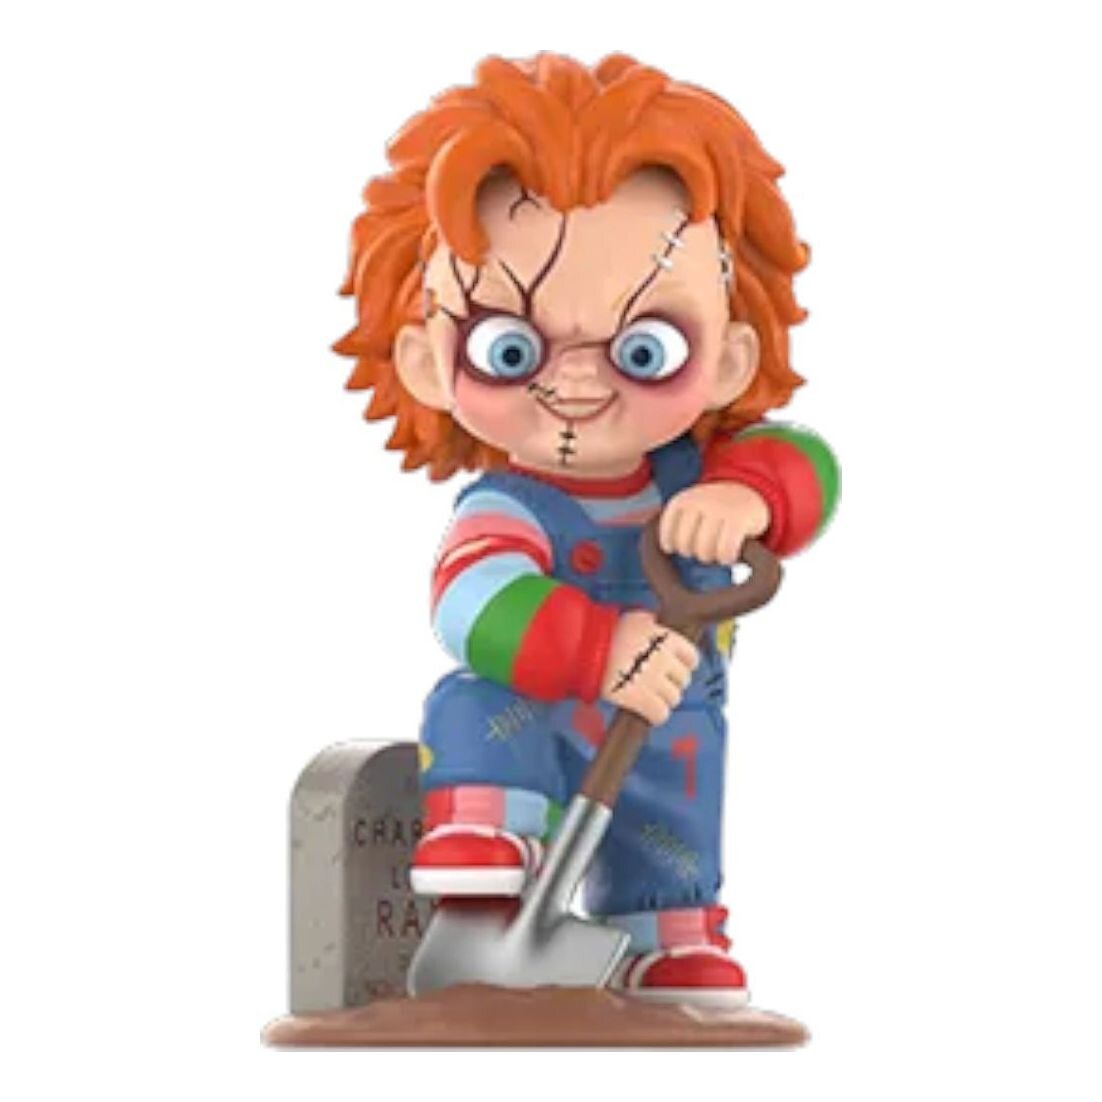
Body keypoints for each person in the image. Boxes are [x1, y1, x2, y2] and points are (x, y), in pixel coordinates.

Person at [335, 53, 838, 1008]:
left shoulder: (704, 473)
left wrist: (750, 501)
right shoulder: (507, 509)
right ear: (427, 362)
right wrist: (599, 649)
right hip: (541, 710)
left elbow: (809, 466)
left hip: (673, 721)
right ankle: (488, 836)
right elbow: (471, 602)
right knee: (476, 705)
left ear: (731, 355)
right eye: (509, 348)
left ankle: (669, 930)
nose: (574, 382)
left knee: (675, 818)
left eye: (645, 349)